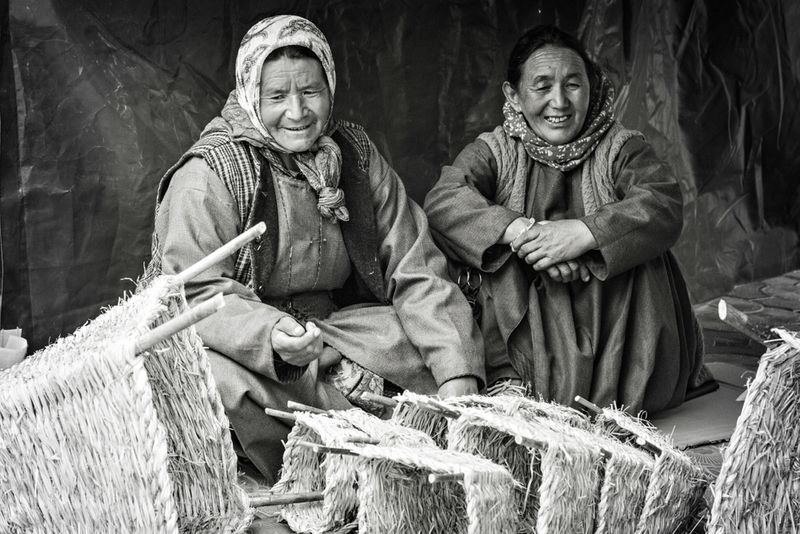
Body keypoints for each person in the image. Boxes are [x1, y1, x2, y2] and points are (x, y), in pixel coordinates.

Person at [145, 15, 484, 482]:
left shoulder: (353, 156)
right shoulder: (209, 175)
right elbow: (195, 291)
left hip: (341, 331)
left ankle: (364, 430)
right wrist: (274, 337)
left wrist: (456, 375)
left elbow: (414, 264)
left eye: (310, 92)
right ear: (250, 95)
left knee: (445, 337)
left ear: (330, 86)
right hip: (254, 345)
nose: (298, 112)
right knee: (215, 382)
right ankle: (339, 448)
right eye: (277, 97)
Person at [424, 25, 710, 415]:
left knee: (640, 250)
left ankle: (618, 396)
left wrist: (584, 235)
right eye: (542, 87)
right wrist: (524, 233)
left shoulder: (621, 147)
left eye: (573, 84)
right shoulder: (495, 150)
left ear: (591, 88)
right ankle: (513, 382)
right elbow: (444, 199)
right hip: (528, 328)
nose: (559, 102)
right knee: (492, 250)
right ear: (513, 94)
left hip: (617, 337)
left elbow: (661, 201)